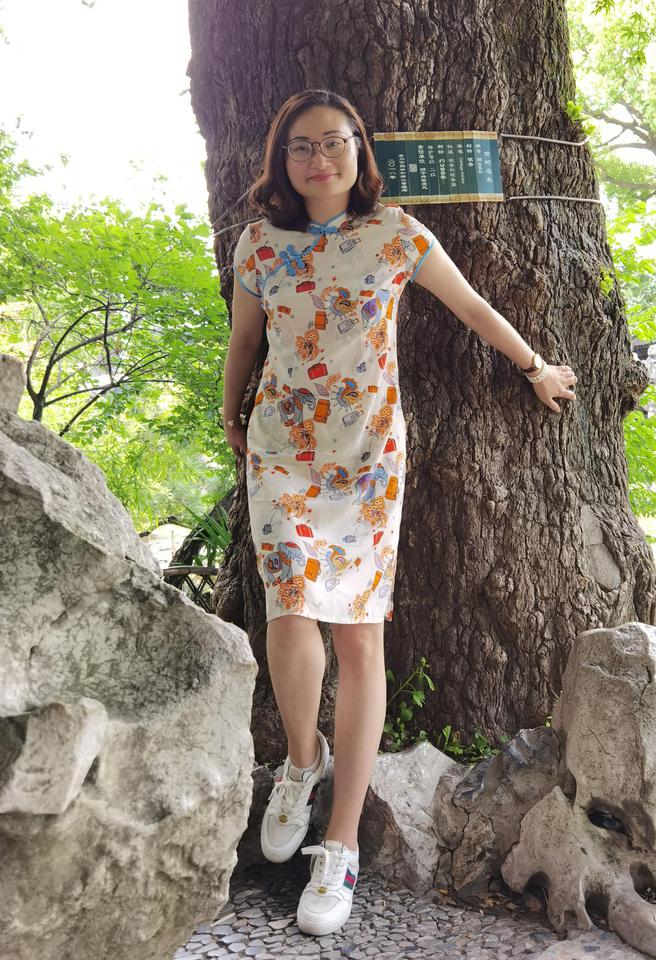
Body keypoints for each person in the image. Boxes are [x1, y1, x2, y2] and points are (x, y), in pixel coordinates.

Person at [221, 89, 577, 937]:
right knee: (289, 611)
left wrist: (535, 367)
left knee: (359, 638)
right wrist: (230, 413)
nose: (319, 158)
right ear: (282, 161)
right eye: (301, 146)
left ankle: (340, 843)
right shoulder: (258, 242)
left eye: (333, 141)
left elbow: (472, 308)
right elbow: (245, 340)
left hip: (368, 459)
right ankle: (300, 764)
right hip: (281, 450)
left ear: (358, 150)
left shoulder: (396, 233)